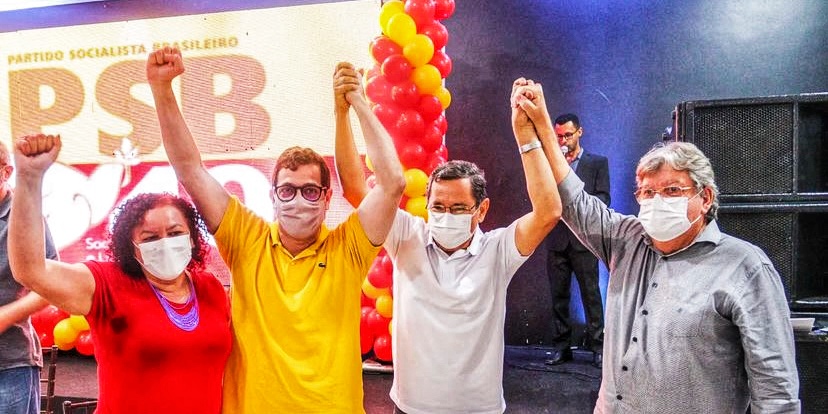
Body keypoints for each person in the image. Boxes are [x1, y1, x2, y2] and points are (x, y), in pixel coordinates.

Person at [512, 80, 801, 413]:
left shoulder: (745, 267)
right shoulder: (626, 240)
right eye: (647, 193)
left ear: (705, 197)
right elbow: (574, 201)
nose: (657, 200)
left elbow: (776, 393)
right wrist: (534, 133)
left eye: (672, 191)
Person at [147, 47, 405, 413]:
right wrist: (161, 90)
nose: (298, 200)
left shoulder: (348, 249)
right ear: (273, 196)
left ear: (327, 198)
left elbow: (393, 182)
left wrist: (357, 104)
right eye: (287, 190)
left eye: (310, 191)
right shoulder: (244, 237)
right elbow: (190, 169)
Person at [336, 79, 561, 413]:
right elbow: (356, 190)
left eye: (458, 209)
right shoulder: (406, 235)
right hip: (411, 408)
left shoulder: (497, 251)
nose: (446, 216)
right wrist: (345, 111)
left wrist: (527, 136)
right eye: (438, 207)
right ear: (427, 205)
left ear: (481, 210)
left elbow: (548, 212)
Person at [8, 134, 232, 413]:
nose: (165, 243)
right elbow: (30, 269)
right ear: (131, 246)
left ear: (192, 238)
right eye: (150, 238)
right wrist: (30, 180)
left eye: (175, 233)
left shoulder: (209, 287)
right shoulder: (106, 283)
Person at [544, 113, 610, 368]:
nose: (563, 141)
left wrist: (580, 208)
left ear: (579, 132)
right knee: (558, 296)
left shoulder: (597, 163)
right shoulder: (551, 164)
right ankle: (561, 348)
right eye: (559, 136)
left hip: (584, 240)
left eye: (568, 135)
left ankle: (598, 347)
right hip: (557, 239)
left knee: (591, 295)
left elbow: (604, 199)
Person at [0, 140, 59, 414]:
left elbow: (52, 283)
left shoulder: (23, 216)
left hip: (10, 363)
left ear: (6, 171)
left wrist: (6, 316)